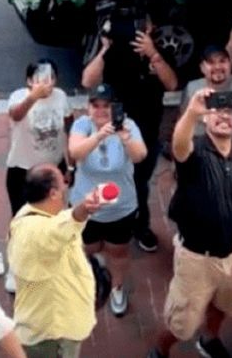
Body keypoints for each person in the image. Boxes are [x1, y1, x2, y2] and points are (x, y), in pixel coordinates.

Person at [147, 87, 232, 358]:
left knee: (224, 306)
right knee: (180, 324)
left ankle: (210, 339)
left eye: (230, 113)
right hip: (196, 259)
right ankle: (160, 350)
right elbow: (179, 145)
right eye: (217, 112)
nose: (224, 117)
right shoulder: (194, 153)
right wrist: (192, 112)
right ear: (206, 119)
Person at [81, 14, 178, 254]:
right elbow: (87, 80)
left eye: (145, 25)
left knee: (140, 183)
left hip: (146, 132)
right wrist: (104, 49)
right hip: (114, 133)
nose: (141, 30)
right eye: (137, 26)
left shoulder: (160, 51)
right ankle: (108, 223)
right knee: (110, 179)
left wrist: (153, 53)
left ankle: (140, 226)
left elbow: (172, 83)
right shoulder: (114, 51)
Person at [66, 84, 147, 318]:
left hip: (120, 207)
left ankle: (117, 287)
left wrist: (124, 138)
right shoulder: (82, 124)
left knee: (118, 250)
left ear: (115, 107)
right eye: (95, 105)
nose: (101, 111)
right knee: (86, 248)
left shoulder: (128, 125)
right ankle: (87, 281)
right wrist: (99, 135)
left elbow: (139, 155)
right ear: (88, 107)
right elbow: (76, 152)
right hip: (86, 206)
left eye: (106, 106)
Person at [7, 165, 103, 358]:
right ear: (52, 193)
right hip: (52, 335)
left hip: (49, 324)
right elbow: (58, 230)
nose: (67, 185)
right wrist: (84, 209)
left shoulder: (29, 214)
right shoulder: (37, 231)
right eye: (63, 182)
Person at [5, 61, 71, 217]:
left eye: (51, 78)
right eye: (40, 78)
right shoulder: (18, 96)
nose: (46, 83)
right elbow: (16, 115)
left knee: (54, 213)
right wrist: (33, 97)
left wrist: (70, 166)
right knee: (23, 216)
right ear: (29, 81)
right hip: (23, 169)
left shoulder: (60, 96)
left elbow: (69, 127)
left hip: (54, 166)